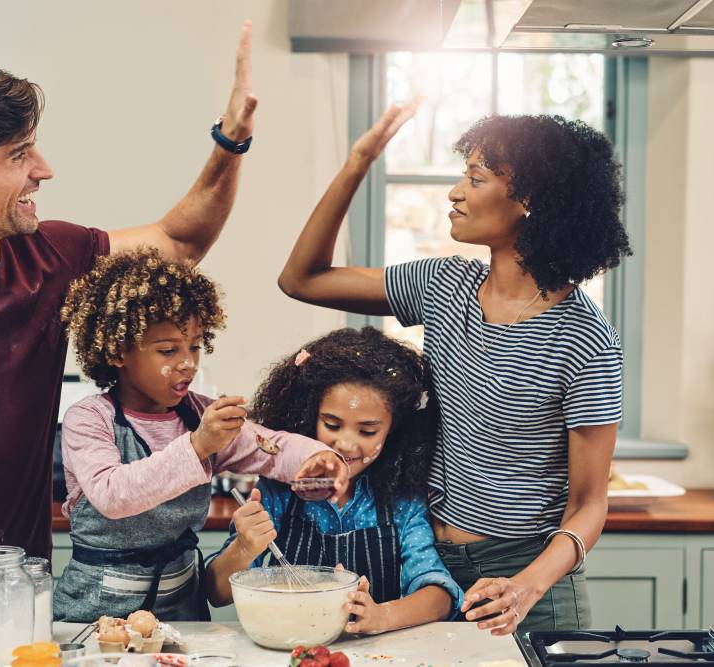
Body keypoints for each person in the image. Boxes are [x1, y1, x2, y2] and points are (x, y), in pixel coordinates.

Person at [0, 22, 258, 660]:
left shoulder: (51, 254)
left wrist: (231, 140)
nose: (44, 170)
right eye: (19, 156)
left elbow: (181, 242)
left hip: (21, 606)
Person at [275, 106, 632, 635]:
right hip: (424, 571)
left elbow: (588, 506)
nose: (455, 193)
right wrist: (357, 163)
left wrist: (527, 586)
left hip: (522, 581)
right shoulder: (444, 285)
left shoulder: (584, 338)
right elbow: (302, 279)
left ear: (528, 200)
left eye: (475, 178)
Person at [51, 248, 347, 621]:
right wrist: (198, 445)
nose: (188, 362)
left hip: (182, 612)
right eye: (167, 350)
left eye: (194, 346)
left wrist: (318, 459)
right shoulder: (89, 419)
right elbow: (113, 495)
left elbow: (271, 446)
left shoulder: (199, 415)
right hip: (94, 613)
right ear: (117, 351)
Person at [205, 327, 464, 635]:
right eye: (332, 424)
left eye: (367, 431)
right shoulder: (277, 490)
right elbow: (216, 592)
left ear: (394, 430)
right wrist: (244, 548)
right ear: (309, 415)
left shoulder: (400, 500)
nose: (346, 444)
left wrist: (383, 616)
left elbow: (440, 596)